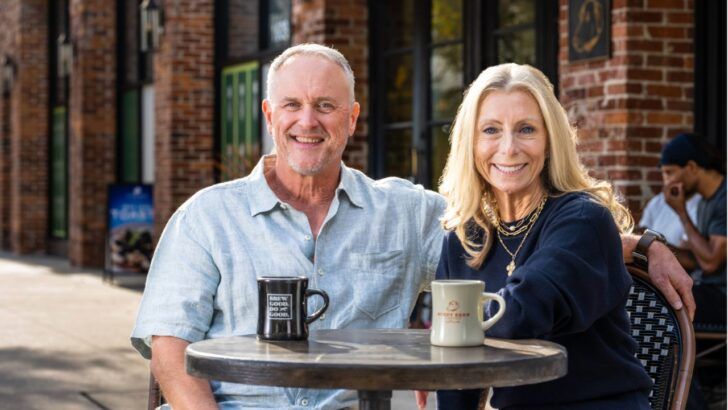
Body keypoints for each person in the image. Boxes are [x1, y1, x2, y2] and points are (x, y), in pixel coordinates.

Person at [131, 44, 693, 410]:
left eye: (326, 105)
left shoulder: (404, 213)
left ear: (351, 119)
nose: (308, 122)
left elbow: (533, 254)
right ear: (269, 115)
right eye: (293, 105)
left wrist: (639, 242)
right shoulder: (206, 217)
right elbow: (169, 349)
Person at [419, 63, 653, 409]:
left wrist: (454, 327)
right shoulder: (464, 236)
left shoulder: (583, 219)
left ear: (550, 140)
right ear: (471, 142)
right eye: (491, 130)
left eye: (526, 129)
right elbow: (458, 377)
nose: (509, 148)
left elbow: (523, 313)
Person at [660, 133, 726, 326]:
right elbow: (697, 258)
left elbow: (710, 263)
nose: (667, 182)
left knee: (665, 298)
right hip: (709, 290)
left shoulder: (724, 199)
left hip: (722, 296)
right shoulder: (707, 201)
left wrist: (681, 212)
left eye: (670, 172)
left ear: (691, 167)